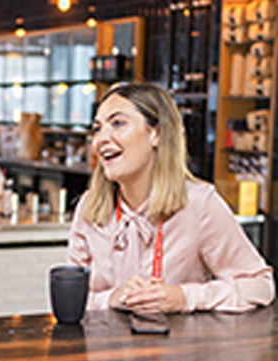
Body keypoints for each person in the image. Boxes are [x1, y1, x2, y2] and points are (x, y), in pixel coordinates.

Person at [68, 82, 274, 313]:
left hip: (176, 348)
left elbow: (260, 286)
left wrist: (185, 297)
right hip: (104, 348)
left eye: (117, 123)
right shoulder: (89, 206)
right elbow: (71, 300)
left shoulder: (200, 204)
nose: (101, 139)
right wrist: (112, 299)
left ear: (156, 133)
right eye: (97, 128)